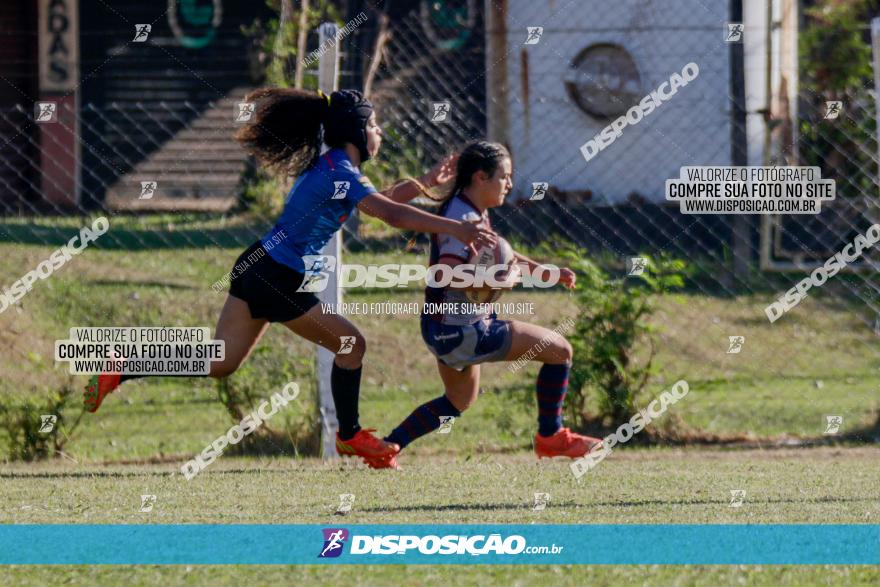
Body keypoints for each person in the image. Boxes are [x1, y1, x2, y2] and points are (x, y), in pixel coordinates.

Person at [83, 89, 496, 467]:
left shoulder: (336, 167)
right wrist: (458, 230)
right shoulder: (342, 172)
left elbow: (379, 200)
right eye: (373, 125)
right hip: (279, 275)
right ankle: (350, 436)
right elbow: (385, 213)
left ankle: (123, 365)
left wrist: (424, 183)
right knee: (352, 344)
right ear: (355, 131)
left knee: (220, 361)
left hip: (258, 263)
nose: (379, 132)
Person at [371, 141, 603, 468]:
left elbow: (503, 254)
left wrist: (543, 271)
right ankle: (551, 437)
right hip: (464, 329)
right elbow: (450, 274)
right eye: (504, 177)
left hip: (443, 327)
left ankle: (387, 447)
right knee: (560, 351)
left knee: (458, 400)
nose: (509, 184)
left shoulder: (468, 211)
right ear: (481, 177)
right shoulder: (463, 217)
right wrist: (501, 281)